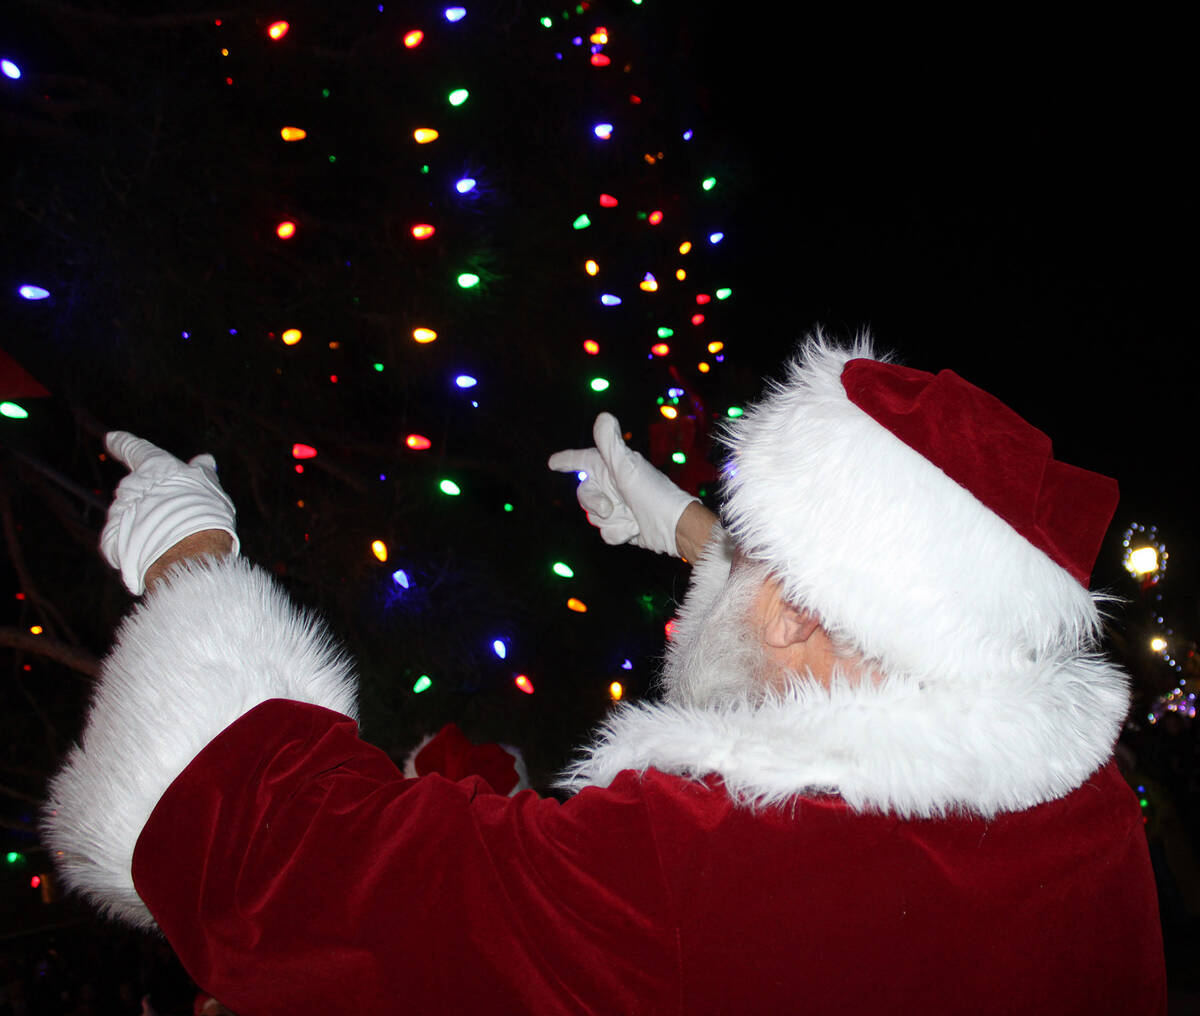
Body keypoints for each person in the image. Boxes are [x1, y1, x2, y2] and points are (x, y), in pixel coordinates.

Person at [43, 336, 1166, 1014]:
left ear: (792, 608)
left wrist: (191, 568)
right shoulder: (1084, 807)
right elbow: (855, 633)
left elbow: (329, 878)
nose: (742, 572)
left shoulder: (700, 868)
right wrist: (693, 535)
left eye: (760, 558)